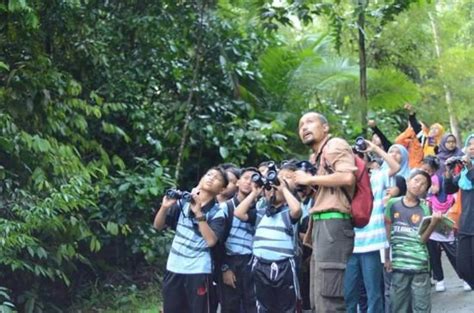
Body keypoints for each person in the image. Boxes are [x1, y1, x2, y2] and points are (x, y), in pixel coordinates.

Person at [294, 112, 357, 312]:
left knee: (329, 299)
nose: (304, 127)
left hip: (333, 224)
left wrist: (309, 180)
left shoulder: (334, 145)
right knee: (318, 298)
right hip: (322, 225)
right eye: (301, 124)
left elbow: (347, 177)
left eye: (310, 122)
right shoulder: (318, 156)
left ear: (325, 127)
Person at [153, 167, 229, 313]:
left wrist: (199, 212)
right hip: (174, 267)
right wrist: (164, 207)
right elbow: (158, 226)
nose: (211, 178)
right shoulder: (183, 203)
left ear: (222, 190)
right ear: (201, 179)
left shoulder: (217, 212)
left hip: (198, 270)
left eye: (217, 178)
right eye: (208, 174)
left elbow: (211, 241)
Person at [343, 139, 400, 313]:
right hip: (349, 246)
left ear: (366, 160)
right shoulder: (343, 182)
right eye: (352, 158)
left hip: (371, 244)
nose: (357, 160)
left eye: (360, 156)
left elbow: (395, 167)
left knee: (374, 293)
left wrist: (374, 148)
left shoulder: (376, 177)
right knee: (348, 294)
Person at [234, 168, 302, 313]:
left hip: (284, 266)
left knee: (287, 306)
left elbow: (296, 210)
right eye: (268, 189)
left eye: (275, 189)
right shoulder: (260, 214)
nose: (271, 192)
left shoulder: (286, 214)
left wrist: (283, 189)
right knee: (263, 305)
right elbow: (238, 212)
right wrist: (254, 193)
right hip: (260, 264)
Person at [385, 169, 442, 313]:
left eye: (423, 184)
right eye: (416, 180)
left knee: (421, 308)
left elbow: (423, 239)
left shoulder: (424, 207)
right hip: (398, 265)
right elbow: (388, 233)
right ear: (408, 181)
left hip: (420, 265)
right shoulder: (392, 204)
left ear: (426, 190)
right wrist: (387, 258)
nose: (418, 185)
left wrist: (434, 223)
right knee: (398, 307)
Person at [420, 156, 461, 292]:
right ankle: (439, 279)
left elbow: (442, 193)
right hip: (429, 219)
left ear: (434, 170)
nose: (426, 172)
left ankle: (463, 276)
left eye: (428, 170)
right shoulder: (419, 180)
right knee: (433, 252)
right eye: (424, 169)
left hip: (444, 217)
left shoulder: (439, 179)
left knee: (452, 251)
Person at [220, 167, 258, 313]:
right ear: (237, 182)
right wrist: (225, 268)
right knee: (230, 306)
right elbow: (218, 241)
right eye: (246, 178)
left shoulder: (260, 209)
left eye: (254, 179)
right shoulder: (225, 207)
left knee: (252, 304)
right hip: (231, 260)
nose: (249, 182)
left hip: (252, 261)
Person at [444, 134, 474, 291]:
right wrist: (448, 173)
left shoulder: (469, 169)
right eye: (469, 144)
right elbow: (449, 189)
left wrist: (470, 168)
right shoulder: (463, 173)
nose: (472, 147)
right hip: (466, 224)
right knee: (463, 268)